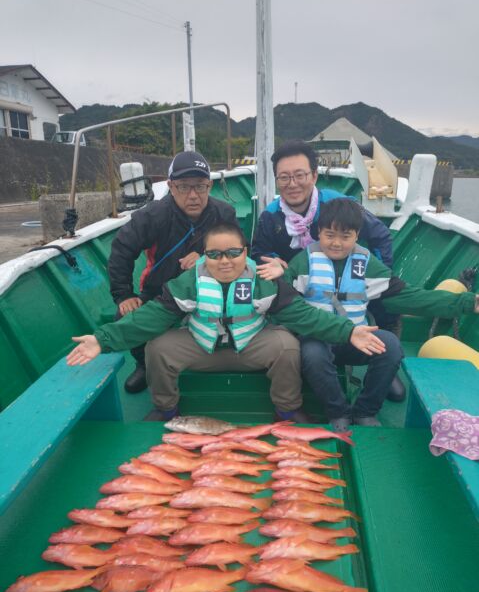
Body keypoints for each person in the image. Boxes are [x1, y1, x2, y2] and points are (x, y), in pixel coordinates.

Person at [68, 223, 387, 424]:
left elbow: (304, 316)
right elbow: (149, 318)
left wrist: (349, 331)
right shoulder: (188, 283)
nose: (224, 261)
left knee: (288, 345)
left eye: (233, 252)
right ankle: (166, 409)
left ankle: (287, 410)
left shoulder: (264, 282)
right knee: (158, 347)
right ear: (204, 255)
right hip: (202, 347)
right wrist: (101, 340)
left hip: (250, 347)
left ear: (245, 252)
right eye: (215, 254)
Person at [258, 198, 479, 431]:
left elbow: (411, 297)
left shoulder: (366, 263)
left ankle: (365, 411)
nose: (336, 243)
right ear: (319, 232)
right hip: (318, 339)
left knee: (390, 346)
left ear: (357, 235)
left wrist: (467, 302)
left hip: (358, 339)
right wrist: (280, 274)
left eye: (345, 236)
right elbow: (284, 300)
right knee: (312, 354)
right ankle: (338, 412)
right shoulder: (304, 262)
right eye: (329, 235)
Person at [251, 138, 405, 402]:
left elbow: (380, 236)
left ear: (314, 175)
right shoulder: (270, 216)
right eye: (284, 177)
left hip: (346, 279)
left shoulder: (339, 204)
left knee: (386, 294)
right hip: (302, 287)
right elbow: (259, 254)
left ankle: (382, 359)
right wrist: (278, 264)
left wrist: (376, 277)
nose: (292, 183)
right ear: (277, 181)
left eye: (300, 175)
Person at [108, 150, 239, 394]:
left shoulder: (224, 214)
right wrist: (124, 295)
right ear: (170, 186)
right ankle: (144, 364)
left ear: (209, 186)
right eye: (183, 187)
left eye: (200, 186)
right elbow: (121, 249)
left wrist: (207, 258)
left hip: (211, 291)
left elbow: (240, 254)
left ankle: (220, 358)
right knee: (124, 315)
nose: (193, 195)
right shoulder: (152, 215)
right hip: (160, 292)